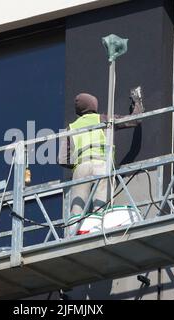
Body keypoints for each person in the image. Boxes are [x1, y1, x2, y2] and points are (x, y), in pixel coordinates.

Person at [58, 89, 144, 235]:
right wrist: (137, 103)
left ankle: (73, 235)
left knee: (77, 210)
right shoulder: (103, 119)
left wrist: (77, 164)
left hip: (81, 168)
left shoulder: (70, 128)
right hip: (101, 166)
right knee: (101, 209)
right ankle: (101, 233)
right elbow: (133, 121)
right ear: (93, 105)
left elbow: (62, 159)